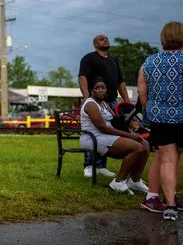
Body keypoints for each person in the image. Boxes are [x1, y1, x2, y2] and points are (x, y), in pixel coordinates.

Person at [138, 21, 183, 221]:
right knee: (175, 158)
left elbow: (142, 92)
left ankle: (170, 206)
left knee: (167, 159)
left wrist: (150, 109)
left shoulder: (149, 62)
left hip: (160, 117)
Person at [80, 77, 150, 194]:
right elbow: (102, 127)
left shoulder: (103, 103)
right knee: (137, 148)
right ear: (92, 90)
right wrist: (129, 136)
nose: (101, 90)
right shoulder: (91, 105)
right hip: (93, 137)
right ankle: (118, 182)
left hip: (106, 135)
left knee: (145, 144)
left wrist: (130, 130)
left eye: (103, 88)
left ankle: (135, 180)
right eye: (97, 88)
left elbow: (116, 121)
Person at [78, 34, 129, 178]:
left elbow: (121, 81)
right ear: (95, 44)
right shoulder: (89, 58)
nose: (105, 40)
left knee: (108, 132)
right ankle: (89, 165)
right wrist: (87, 97)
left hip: (111, 101)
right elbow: (82, 77)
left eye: (106, 38)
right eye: (101, 39)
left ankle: (101, 166)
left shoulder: (113, 60)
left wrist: (126, 101)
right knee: (93, 131)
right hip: (95, 101)